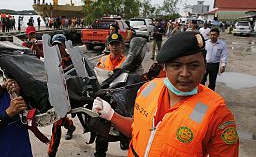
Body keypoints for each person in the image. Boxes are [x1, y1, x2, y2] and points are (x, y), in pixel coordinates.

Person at [92, 31, 239, 157]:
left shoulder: (217, 115)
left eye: (194, 65)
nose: (185, 73)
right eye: (176, 65)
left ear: (205, 67)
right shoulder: (147, 89)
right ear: (165, 68)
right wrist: (111, 115)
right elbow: (137, 129)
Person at [95, 32, 127, 157]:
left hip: (121, 97)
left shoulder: (127, 61)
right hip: (105, 97)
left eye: (117, 44)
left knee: (123, 123)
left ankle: (124, 140)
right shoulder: (102, 59)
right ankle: (100, 153)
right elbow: (96, 75)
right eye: (112, 44)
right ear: (108, 46)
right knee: (102, 126)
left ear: (122, 46)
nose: (114, 47)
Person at [47, 34, 76, 157]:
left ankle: (51, 152)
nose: (57, 48)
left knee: (57, 123)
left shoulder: (71, 60)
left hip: (68, 95)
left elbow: (75, 79)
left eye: (60, 45)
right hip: (55, 94)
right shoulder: (50, 60)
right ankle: (70, 126)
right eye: (55, 45)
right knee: (59, 119)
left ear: (64, 46)